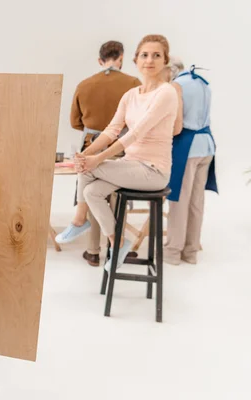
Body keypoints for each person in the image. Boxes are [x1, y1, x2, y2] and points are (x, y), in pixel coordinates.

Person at [56, 34, 178, 271]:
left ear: (165, 60)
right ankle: (118, 242)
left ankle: (79, 220)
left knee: (90, 170)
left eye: (156, 55)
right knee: (91, 191)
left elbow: (135, 133)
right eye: (144, 55)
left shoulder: (167, 92)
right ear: (134, 60)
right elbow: (112, 130)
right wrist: (85, 154)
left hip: (153, 171)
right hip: (131, 165)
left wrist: (95, 159)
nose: (149, 60)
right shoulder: (131, 94)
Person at [69, 41, 141, 266]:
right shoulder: (133, 84)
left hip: (91, 146)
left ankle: (92, 251)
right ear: (120, 58)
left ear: (100, 60)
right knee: (118, 198)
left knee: (92, 196)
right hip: (122, 146)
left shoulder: (84, 84)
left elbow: (75, 122)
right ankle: (116, 248)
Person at [164, 60, 217, 265]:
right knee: (196, 202)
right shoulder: (203, 83)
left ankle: (172, 253)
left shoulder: (177, 86)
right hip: (207, 145)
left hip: (187, 147)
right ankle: (191, 251)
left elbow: (175, 123)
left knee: (178, 200)